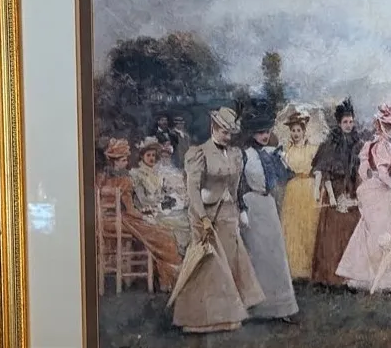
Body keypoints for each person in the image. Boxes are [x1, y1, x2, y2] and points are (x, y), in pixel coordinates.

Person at [168, 107, 265, 334]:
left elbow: (235, 186)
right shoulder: (199, 153)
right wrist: (202, 218)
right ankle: (199, 319)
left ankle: (228, 316)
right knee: (210, 266)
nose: (228, 137)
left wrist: (240, 210)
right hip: (205, 214)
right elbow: (192, 190)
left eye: (230, 133)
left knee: (229, 263)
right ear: (214, 127)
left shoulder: (235, 154)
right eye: (224, 132)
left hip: (227, 213)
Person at [335, 103, 391, 293]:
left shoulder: (377, 145)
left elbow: (366, 172)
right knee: (379, 233)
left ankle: (382, 278)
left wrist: (372, 181)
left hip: (375, 192)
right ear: (378, 125)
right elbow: (381, 175)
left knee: (378, 231)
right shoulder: (378, 146)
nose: (390, 129)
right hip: (376, 193)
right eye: (386, 125)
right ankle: (377, 278)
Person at [94, 137, 183, 292]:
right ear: (115, 162)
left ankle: (164, 279)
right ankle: (168, 279)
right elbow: (130, 210)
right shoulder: (124, 181)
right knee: (163, 235)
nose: (126, 163)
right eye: (123, 160)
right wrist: (145, 216)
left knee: (154, 234)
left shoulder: (100, 178)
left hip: (102, 222)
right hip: (121, 221)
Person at [238, 107, 300, 323]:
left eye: (267, 131)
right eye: (260, 132)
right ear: (252, 133)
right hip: (251, 205)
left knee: (276, 254)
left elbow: (284, 177)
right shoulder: (244, 155)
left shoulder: (272, 152)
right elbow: (237, 185)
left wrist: (282, 161)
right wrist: (241, 209)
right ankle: (257, 307)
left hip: (268, 205)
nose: (264, 136)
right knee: (257, 255)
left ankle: (282, 308)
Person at [309, 98, 363, 287]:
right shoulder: (331, 144)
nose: (348, 125)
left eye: (351, 121)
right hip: (335, 190)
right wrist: (332, 196)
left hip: (352, 190)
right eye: (345, 122)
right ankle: (331, 276)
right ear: (339, 123)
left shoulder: (358, 143)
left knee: (352, 231)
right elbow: (324, 172)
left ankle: (351, 276)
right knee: (333, 234)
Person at [279, 110, 321, 280]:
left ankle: (309, 268)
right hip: (293, 189)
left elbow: (318, 171)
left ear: (304, 131)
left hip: (309, 188)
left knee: (308, 226)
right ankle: (294, 269)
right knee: (293, 227)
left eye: (298, 130)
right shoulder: (286, 151)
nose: (295, 134)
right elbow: (284, 172)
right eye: (293, 130)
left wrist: (317, 190)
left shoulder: (312, 149)